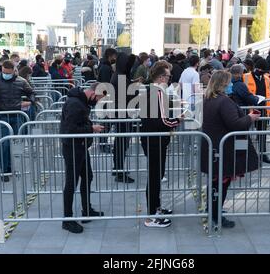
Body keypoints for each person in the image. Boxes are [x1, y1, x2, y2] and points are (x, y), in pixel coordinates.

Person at [201, 70, 260, 228]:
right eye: (230, 83)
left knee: (216, 183)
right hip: (223, 150)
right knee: (221, 184)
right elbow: (235, 124)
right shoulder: (223, 101)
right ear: (223, 84)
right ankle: (215, 215)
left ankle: (213, 210)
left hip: (214, 147)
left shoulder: (208, 98)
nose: (232, 85)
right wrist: (250, 118)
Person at [140, 61, 182, 228]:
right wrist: (178, 120)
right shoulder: (157, 92)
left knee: (156, 176)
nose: (169, 79)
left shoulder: (149, 90)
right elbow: (162, 120)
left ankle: (155, 208)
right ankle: (151, 216)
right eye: (168, 76)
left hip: (152, 139)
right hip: (154, 140)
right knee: (154, 177)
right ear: (161, 77)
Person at [60, 83, 105, 234]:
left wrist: (90, 126)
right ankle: (67, 220)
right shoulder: (75, 104)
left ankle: (87, 210)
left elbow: (80, 122)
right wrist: (91, 128)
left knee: (87, 176)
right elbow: (70, 129)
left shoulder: (80, 101)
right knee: (71, 183)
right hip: (72, 147)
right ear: (93, 93)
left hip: (80, 146)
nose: (98, 101)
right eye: (98, 98)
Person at [0, 60, 36, 182]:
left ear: (14, 71)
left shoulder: (21, 81)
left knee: (12, 143)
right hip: (2, 116)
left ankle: (8, 167)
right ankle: (4, 170)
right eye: (3, 72)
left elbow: (32, 93)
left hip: (16, 116)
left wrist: (30, 101)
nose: (5, 74)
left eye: (8, 72)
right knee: (5, 143)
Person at [110, 52, 137, 184]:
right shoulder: (120, 77)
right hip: (122, 114)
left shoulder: (120, 75)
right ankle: (119, 172)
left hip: (121, 113)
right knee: (121, 143)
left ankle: (118, 168)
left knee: (120, 143)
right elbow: (126, 97)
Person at [242, 59, 270, 164]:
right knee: (245, 133)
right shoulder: (245, 77)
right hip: (249, 109)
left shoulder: (266, 78)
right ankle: (246, 155)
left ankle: (263, 154)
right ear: (258, 68)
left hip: (263, 109)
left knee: (262, 133)